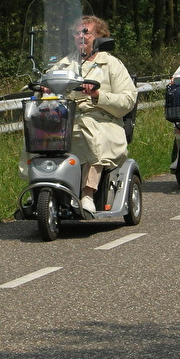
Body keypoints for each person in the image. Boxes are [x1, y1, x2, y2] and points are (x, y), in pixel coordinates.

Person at [65, 15, 138, 212]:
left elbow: (128, 100)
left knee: (93, 137)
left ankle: (87, 194)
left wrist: (98, 95)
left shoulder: (112, 64)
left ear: (99, 36)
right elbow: (46, 82)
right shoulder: (64, 64)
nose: (80, 36)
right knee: (38, 138)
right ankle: (42, 189)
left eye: (86, 32)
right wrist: (44, 90)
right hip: (68, 120)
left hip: (103, 120)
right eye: (77, 32)